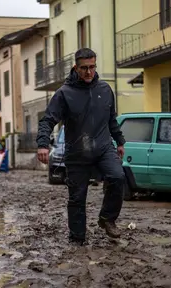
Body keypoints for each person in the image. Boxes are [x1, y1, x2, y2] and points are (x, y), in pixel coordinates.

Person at [36, 48, 126, 245]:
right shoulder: (64, 93)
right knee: (77, 198)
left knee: (118, 177)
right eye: (84, 68)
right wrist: (43, 144)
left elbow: (111, 119)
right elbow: (47, 120)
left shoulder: (104, 90)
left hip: (103, 148)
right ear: (75, 68)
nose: (89, 72)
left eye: (92, 67)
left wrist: (119, 141)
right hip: (77, 153)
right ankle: (77, 239)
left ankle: (107, 219)